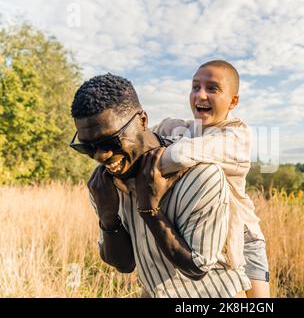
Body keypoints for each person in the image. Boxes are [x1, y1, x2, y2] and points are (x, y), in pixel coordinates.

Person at [69, 73, 251, 297]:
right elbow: (125, 265)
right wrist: (108, 217)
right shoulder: (105, 185)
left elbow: (197, 268)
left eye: (110, 141)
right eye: (87, 147)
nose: (100, 156)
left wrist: (150, 211)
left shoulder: (201, 175)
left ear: (142, 120)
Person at [151, 60, 270, 297]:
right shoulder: (178, 128)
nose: (200, 95)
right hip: (196, 231)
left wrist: (153, 152)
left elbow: (180, 155)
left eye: (212, 88)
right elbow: (135, 139)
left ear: (233, 101)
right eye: (195, 87)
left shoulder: (236, 135)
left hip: (241, 236)